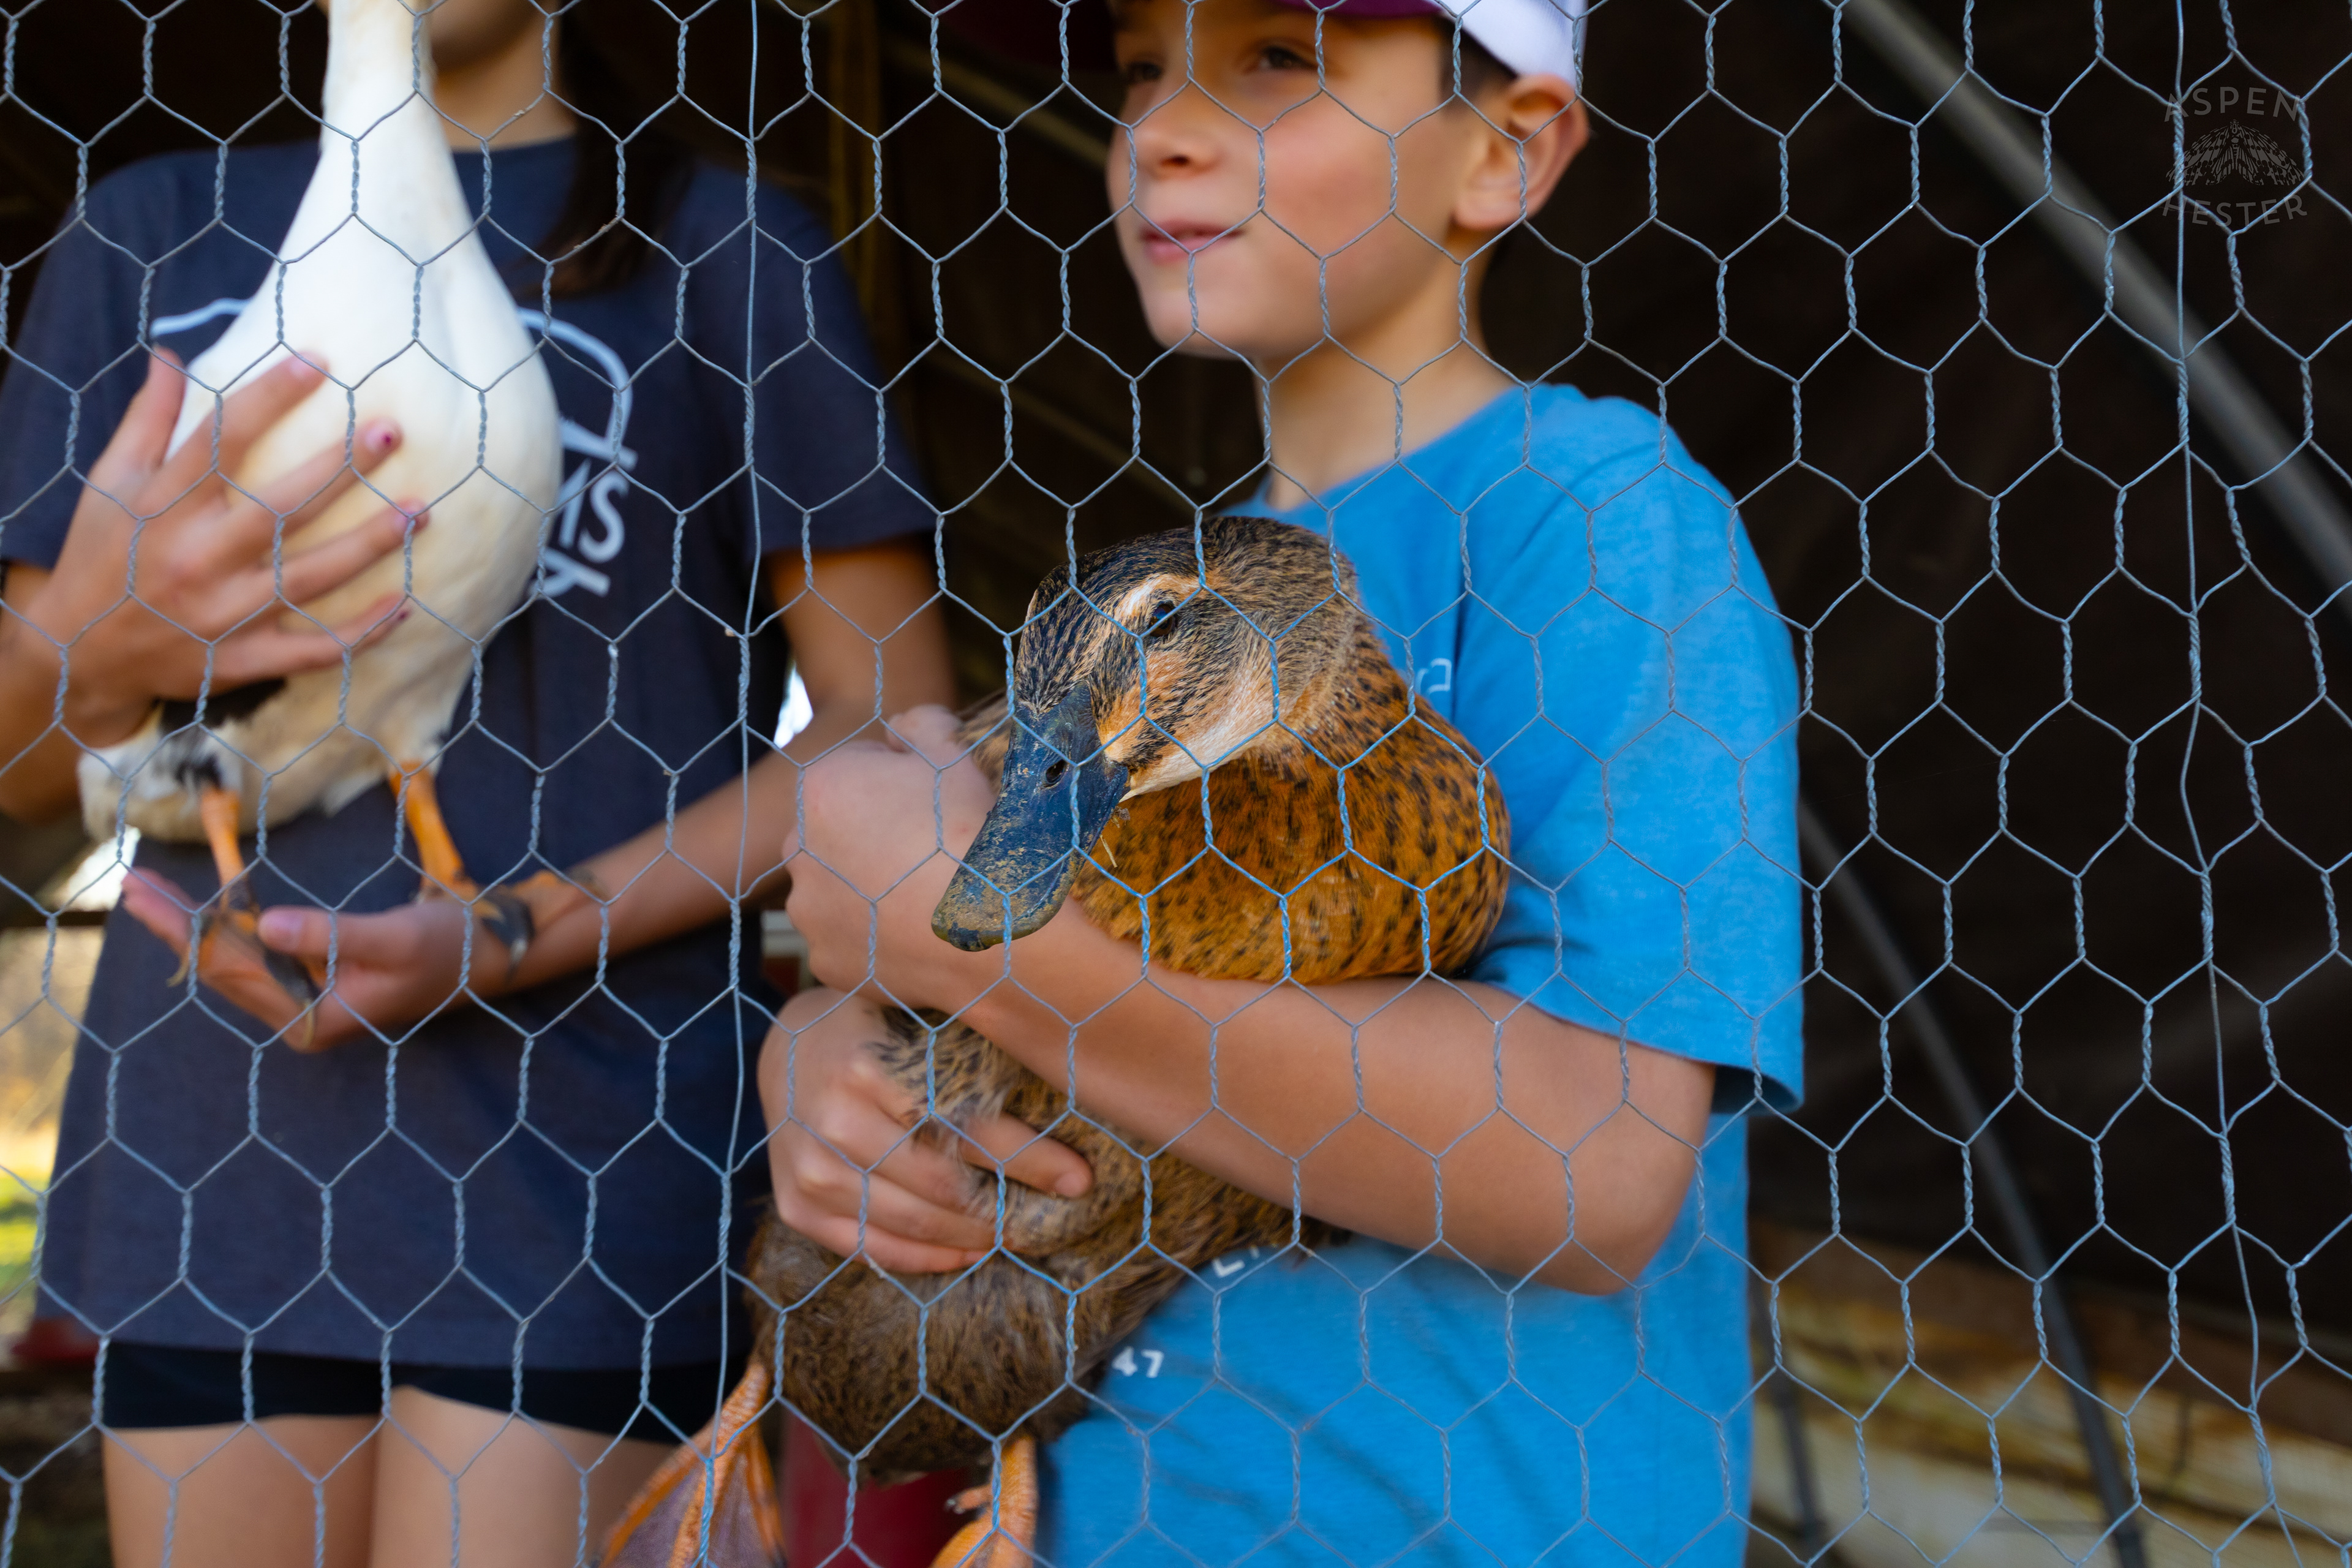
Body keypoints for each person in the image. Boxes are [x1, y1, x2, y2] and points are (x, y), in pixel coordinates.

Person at [764, 0, 1801, 1563]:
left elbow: (1594, 1166)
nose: (1164, 129)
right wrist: (827, 1061)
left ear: (1507, 151)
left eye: (1274, 61)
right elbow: (975, 962)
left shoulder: (1591, 521)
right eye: (1138, 71)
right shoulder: (1163, 604)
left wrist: (973, 942)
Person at [0, 1, 948, 1564]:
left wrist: (516, 928)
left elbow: (890, 721)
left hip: (581, 1160)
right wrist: (106, 639)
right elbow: (38, 765)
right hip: (210, 1169)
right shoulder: (157, 231)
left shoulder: (726, 248)